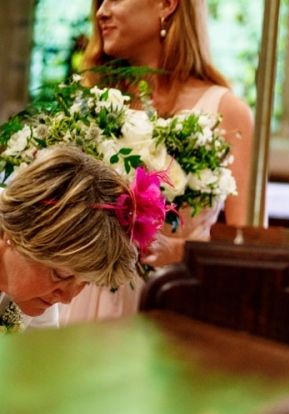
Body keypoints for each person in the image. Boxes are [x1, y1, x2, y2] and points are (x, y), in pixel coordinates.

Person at [62, 0, 254, 323]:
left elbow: (246, 249)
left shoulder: (226, 112)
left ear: (166, 4)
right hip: (83, 302)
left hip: (170, 304)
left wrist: (178, 252)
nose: (101, 12)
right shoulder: (89, 99)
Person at [1, 145, 163, 333]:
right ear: (14, 233)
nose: (67, 298)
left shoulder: (35, 290)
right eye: (60, 275)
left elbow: (44, 351)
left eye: (85, 282)